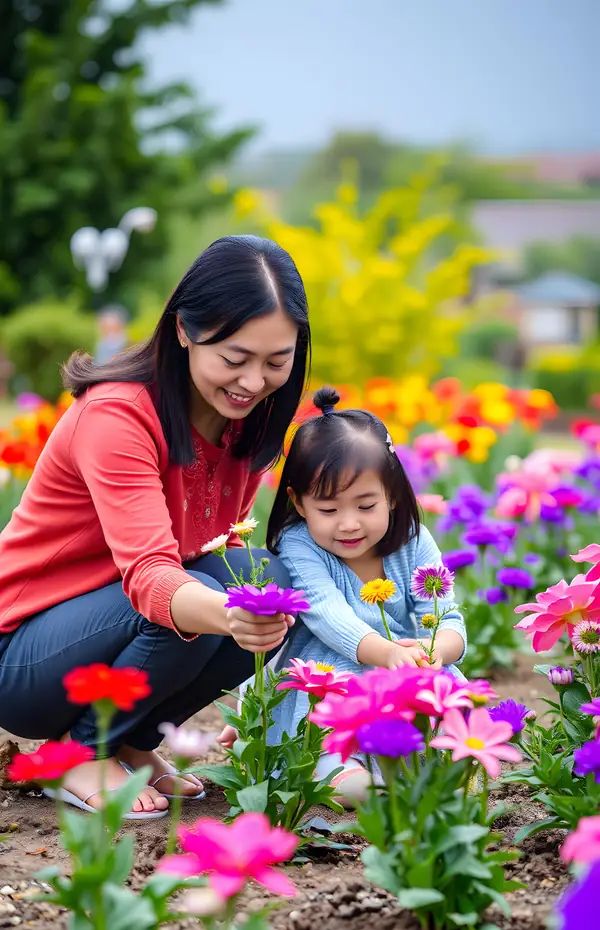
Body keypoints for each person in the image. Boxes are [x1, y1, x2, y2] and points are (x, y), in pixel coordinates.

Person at [0, 235, 310, 818]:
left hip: (105, 628)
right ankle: (80, 752)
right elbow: (151, 576)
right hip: (21, 654)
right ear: (184, 331)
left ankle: (131, 742)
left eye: (276, 361)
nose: (254, 380)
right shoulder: (118, 413)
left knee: (259, 575)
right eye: (234, 358)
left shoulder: (245, 423)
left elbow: (216, 552)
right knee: (224, 594)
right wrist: (229, 614)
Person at [266, 386, 467, 792]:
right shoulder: (298, 543)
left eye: (365, 505)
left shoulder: (413, 539)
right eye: (328, 509)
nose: (349, 524)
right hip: (330, 672)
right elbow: (326, 613)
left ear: (391, 495)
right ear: (299, 503)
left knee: (452, 701)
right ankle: (357, 780)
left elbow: (446, 614)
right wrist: (388, 652)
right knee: (331, 744)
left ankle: (433, 763)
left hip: (405, 664)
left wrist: (435, 652)